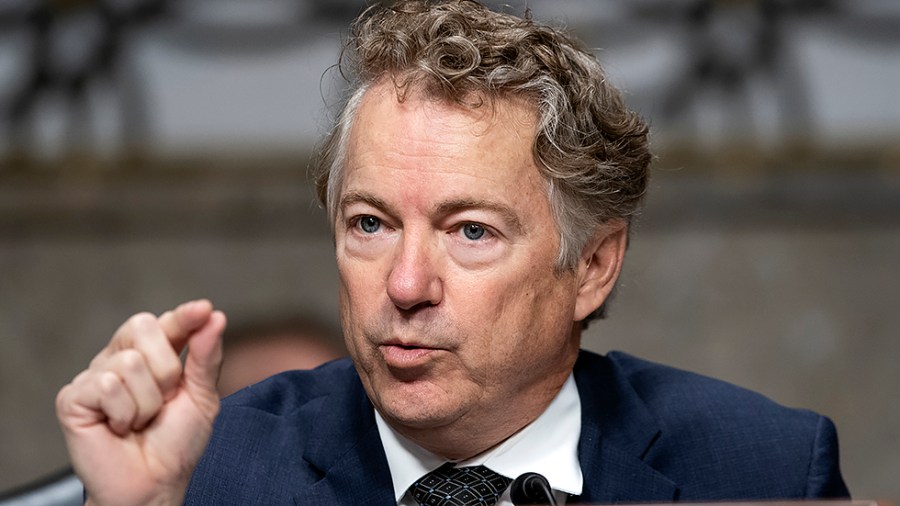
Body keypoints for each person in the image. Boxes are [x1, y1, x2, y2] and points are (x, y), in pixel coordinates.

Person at [55, 1, 850, 504]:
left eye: (471, 231)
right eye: (370, 223)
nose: (404, 285)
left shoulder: (765, 468)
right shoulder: (216, 469)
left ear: (595, 265)